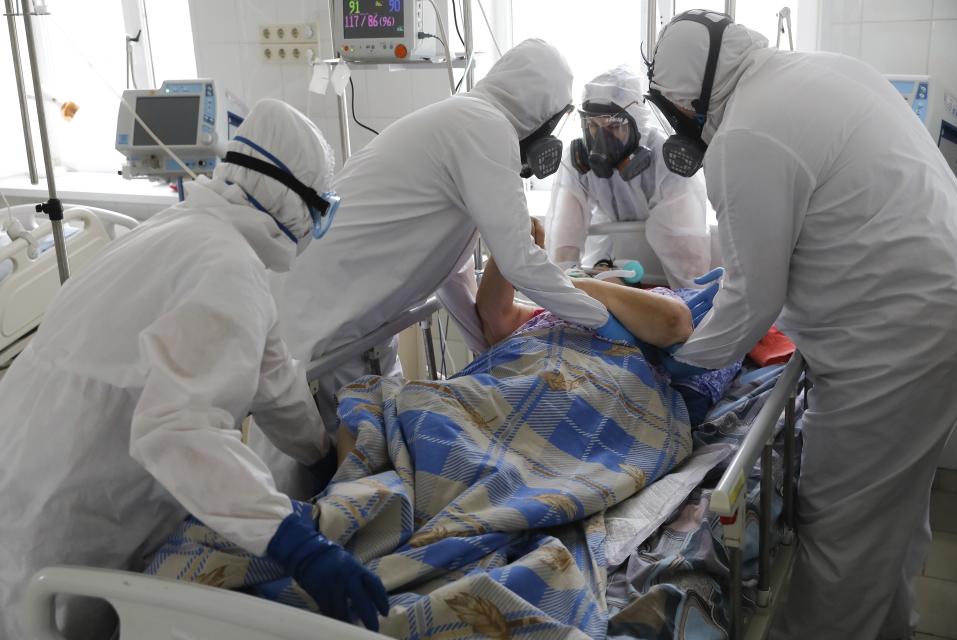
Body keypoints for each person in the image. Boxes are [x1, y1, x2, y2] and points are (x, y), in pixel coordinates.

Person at [0, 99, 386, 639]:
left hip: (30, 452)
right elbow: (179, 430)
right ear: (296, 204)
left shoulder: (191, 233)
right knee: (44, 621)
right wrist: (296, 543)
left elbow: (273, 380)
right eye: (319, 213)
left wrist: (322, 454)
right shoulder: (223, 267)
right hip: (61, 507)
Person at [645, 9, 957, 639]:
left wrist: (677, 363)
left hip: (892, 341)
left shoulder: (745, 137)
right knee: (890, 515)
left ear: (688, 100)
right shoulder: (823, 71)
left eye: (674, 111)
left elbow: (749, 300)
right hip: (930, 308)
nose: (678, 126)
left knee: (842, 530)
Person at [273, 38, 610, 431]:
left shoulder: (468, 121)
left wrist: (488, 353)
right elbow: (521, 262)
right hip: (324, 328)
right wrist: (606, 323)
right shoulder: (485, 127)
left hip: (359, 329)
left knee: (373, 454)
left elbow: (452, 274)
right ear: (542, 115)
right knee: (310, 467)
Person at [545, 66, 712, 288]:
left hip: (663, 267)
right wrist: (563, 292)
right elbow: (564, 243)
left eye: (614, 126)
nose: (602, 138)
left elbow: (688, 257)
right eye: (593, 125)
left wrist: (690, 301)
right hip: (609, 258)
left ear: (636, 125)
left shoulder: (665, 159)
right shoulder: (578, 161)